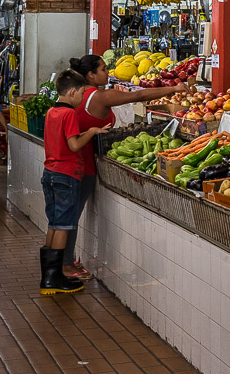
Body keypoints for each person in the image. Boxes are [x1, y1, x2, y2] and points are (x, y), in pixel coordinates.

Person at [64, 54, 191, 281]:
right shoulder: (99, 96)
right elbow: (139, 95)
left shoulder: (77, 95)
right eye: (103, 69)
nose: (108, 73)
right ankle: (67, 264)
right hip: (84, 166)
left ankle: (68, 261)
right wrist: (173, 89)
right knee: (71, 216)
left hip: (76, 161)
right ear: (91, 75)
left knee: (70, 215)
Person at [40, 69, 107, 296]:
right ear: (72, 92)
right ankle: (55, 277)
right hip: (66, 174)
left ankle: (48, 277)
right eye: (81, 94)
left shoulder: (51, 112)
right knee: (64, 226)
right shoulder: (70, 115)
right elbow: (74, 145)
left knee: (53, 223)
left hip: (49, 172)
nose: (82, 99)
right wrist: (92, 131)